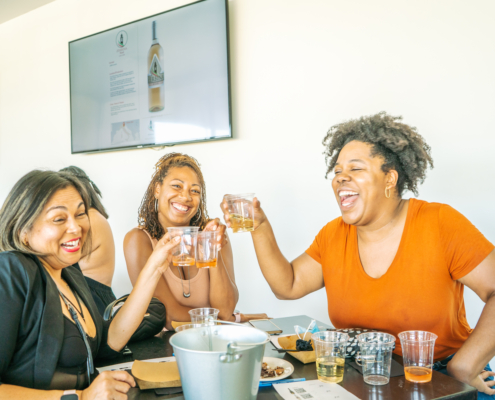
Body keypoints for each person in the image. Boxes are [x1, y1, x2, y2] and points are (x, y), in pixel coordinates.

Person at [221, 112, 495, 398]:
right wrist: (260, 226)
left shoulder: (439, 222)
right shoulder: (334, 234)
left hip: (442, 378)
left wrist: (464, 367)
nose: (341, 178)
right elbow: (287, 285)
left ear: (390, 178)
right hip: (367, 375)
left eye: (356, 168)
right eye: (337, 171)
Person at [0, 170, 180, 399]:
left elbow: (110, 340)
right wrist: (80, 396)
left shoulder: (70, 273)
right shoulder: (11, 271)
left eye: (80, 214)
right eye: (59, 219)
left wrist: (154, 267)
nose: (76, 228)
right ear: (23, 232)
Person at [124, 153, 267, 330]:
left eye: (195, 191)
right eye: (177, 186)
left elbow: (225, 309)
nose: (186, 197)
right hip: (166, 344)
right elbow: (168, 317)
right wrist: (233, 319)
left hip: (213, 338)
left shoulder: (213, 233)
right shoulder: (138, 240)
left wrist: (212, 249)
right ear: (157, 189)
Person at [60, 166, 116, 316]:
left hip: (94, 302)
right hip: (90, 297)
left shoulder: (91, 218)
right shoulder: (93, 216)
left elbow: (58, 257)